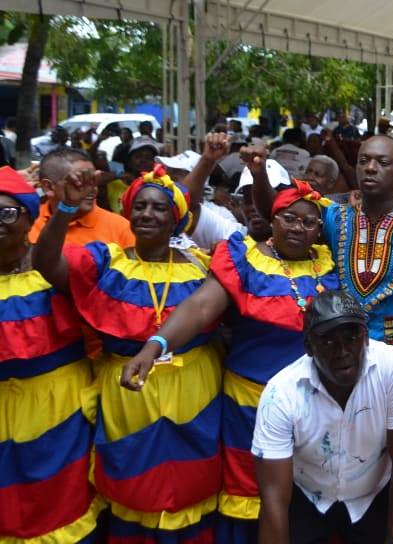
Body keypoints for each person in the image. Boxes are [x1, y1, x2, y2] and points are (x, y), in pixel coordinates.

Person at [118, 179, 341, 542]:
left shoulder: (329, 265)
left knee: (308, 492)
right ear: (273, 219)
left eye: (308, 222)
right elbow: (201, 305)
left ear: (319, 230)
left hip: (314, 406)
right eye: (288, 218)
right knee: (252, 493)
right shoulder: (245, 258)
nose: (297, 227)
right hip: (250, 405)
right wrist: (154, 346)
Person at [32, 164, 221, 542]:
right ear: (128, 212)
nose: (147, 214)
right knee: (130, 482)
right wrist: (64, 209)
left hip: (194, 390)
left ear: (176, 219)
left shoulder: (203, 264)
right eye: (140, 207)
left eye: (158, 208)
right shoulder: (106, 261)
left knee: (193, 481)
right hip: (126, 392)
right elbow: (46, 263)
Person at [251, 290, 393, 544]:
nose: (343, 351)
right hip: (308, 495)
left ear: (365, 337)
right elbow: (273, 499)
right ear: (309, 347)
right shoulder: (281, 394)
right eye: (329, 342)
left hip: (373, 494)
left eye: (351, 337)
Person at [0, 167, 105, 542]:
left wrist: (63, 211)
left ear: (29, 218)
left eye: (7, 213)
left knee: (62, 508)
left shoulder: (56, 267)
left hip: (58, 413)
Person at [251, 136, 393, 343]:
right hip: (341, 348)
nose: (370, 168)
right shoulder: (334, 216)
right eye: (363, 161)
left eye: (382, 163)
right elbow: (276, 209)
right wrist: (258, 173)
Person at [29, 146, 135, 248]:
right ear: (49, 187)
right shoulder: (29, 221)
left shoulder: (120, 228)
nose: (91, 189)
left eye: (93, 181)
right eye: (80, 181)